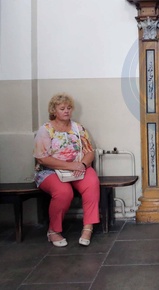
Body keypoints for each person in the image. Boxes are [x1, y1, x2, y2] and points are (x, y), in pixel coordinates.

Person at [34, 93, 100, 247]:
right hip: (51, 171)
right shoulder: (45, 130)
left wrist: (82, 165)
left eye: (69, 108)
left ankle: (88, 227)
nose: (66, 111)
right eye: (62, 108)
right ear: (54, 110)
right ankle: (53, 230)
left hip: (78, 167)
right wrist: (70, 166)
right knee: (63, 192)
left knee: (92, 182)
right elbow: (42, 158)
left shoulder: (78, 128)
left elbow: (90, 152)